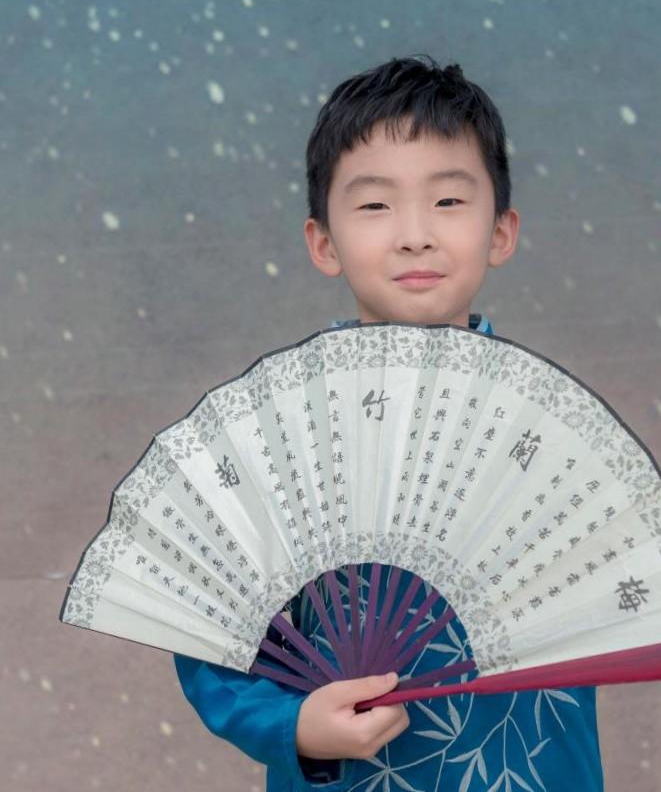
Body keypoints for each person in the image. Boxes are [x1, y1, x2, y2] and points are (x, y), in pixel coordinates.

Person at [174, 53, 604, 792]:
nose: (414, 234)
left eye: (448, 201)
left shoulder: (556, 437)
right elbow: (211, 627)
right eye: (375, 206)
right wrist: (292, 724)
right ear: (323, 242)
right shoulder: (284, 438)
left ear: (501, 231)